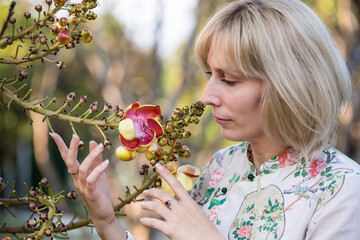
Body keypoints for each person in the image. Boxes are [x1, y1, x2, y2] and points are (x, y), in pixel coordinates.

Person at [51, 0, 360, 239]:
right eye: (210, 74)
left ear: (290, 84)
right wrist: (106, 221)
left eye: (229, 80)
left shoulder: (343, 190)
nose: (207, 95)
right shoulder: (220, 168)